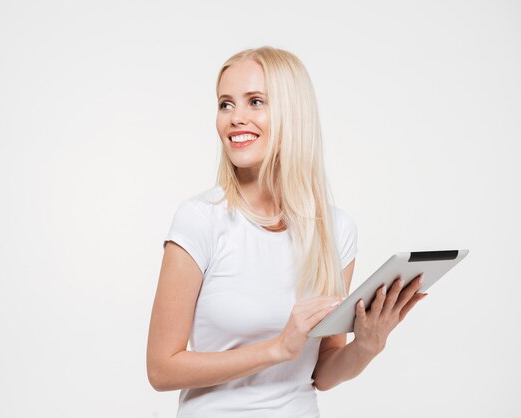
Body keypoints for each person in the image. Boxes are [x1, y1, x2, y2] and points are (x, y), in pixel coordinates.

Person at [146, 46, 426, 418]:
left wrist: (367, 346)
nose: (235, 118)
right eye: (225, 104)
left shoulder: (336, 230)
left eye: (255, 102)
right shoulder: (200, 220)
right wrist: (277, 348)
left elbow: (323, 372)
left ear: (293, 114)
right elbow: (161, 369)